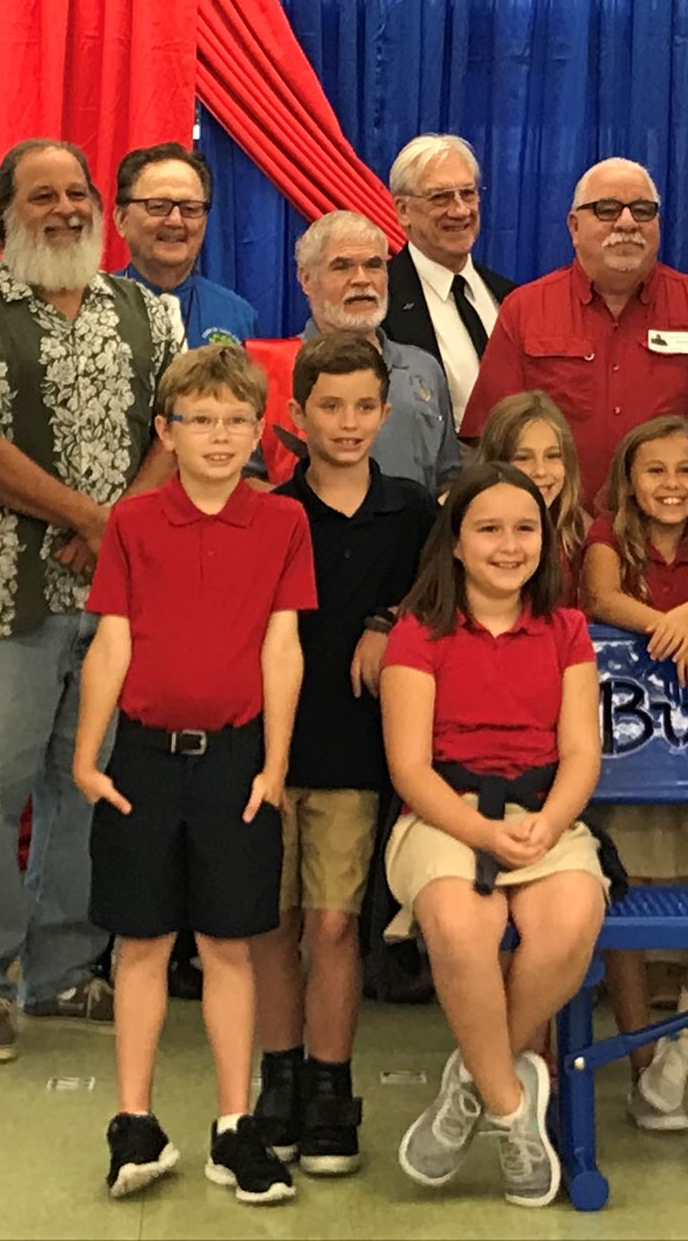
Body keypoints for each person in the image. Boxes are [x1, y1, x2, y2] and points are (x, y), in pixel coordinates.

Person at [0, 139, 181, 1062]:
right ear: (5, 214)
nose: (66, 208)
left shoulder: (151, 313)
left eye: (77, 192)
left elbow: (176, 428)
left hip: (118, 604)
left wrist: (114, 530)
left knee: (89, 793)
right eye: (43, 195)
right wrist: (94, 518)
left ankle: (65, 970)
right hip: (4, 598)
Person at [71, 344, 312, 1204]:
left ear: (259, 432)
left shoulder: (283, 523)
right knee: (139, 944)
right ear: (167, 432)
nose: (218, 436)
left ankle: (232, 1125)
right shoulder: (133, 524)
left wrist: (275, 764)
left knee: (229, 946)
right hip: (141, 759)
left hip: (238, 763)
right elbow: (113, 642)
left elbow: (283, 649)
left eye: (236, 421)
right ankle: (134, 1123)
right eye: (200, 421)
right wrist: (86, 756)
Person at [383, 463, 610, 1210]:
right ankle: (514, 1110)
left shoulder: (567, 629)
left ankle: (473, 1082)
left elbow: (581, 753)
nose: (508, 545)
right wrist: (478, 827)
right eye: (488, 529)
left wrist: (549, 820)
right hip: (445, 814)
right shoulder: (419, 631)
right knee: (457, 922)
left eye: (524, 529)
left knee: (570, 919)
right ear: (455, 542)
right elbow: (409, 769)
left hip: (542, 811)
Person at [250, 333, 439, 1178]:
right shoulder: (271, 514)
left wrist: (385, 621)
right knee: (272, 925)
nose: (349, 422)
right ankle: (278, 1081)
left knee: (332, 924)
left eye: (365, 406)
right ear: (297, 417)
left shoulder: (413, 513)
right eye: (330, 406)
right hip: (273, 749)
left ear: (386, 414)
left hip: (359, 752)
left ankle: (332, 1088)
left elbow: (440, 597)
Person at [580, 414, 688, 1135]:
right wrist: (668, 626)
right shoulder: (608, 538)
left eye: (686, 470)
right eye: (655, 471)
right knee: (629, 906)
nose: (671, 485)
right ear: (628, 481)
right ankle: (643, 1063)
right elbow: (601, 599)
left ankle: (684, 1044)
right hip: (633, 749)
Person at [462, 158, 688, 501]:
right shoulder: (525, 310)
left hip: (674, 534)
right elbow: (493, 439)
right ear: (573, 226)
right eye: (607, 209)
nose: (628, 222)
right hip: (560, 535)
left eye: (643, 210)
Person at [297, 209, 460, 492]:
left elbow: (448, 476)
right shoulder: (270, 368)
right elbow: (247, 481)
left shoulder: (424, 368)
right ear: (307, 280)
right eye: (342, 266)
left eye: (373, 265)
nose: (362, 279)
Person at [381, 134, 516, 427]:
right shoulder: (380, 300)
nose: (460, 210)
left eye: (467, 193)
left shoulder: (510, 296)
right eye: (440, 197)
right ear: (403, 210)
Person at [114, 141, 259, 346]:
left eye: (190, 208)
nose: (175, 220)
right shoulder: (90, 310)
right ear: (121, 219)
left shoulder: (238, 318)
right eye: (158, 206)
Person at [470, 390, 587, 585]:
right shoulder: (467, 528)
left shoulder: (578, 530)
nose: (540, 471)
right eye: (523, 458)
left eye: (553, 456)